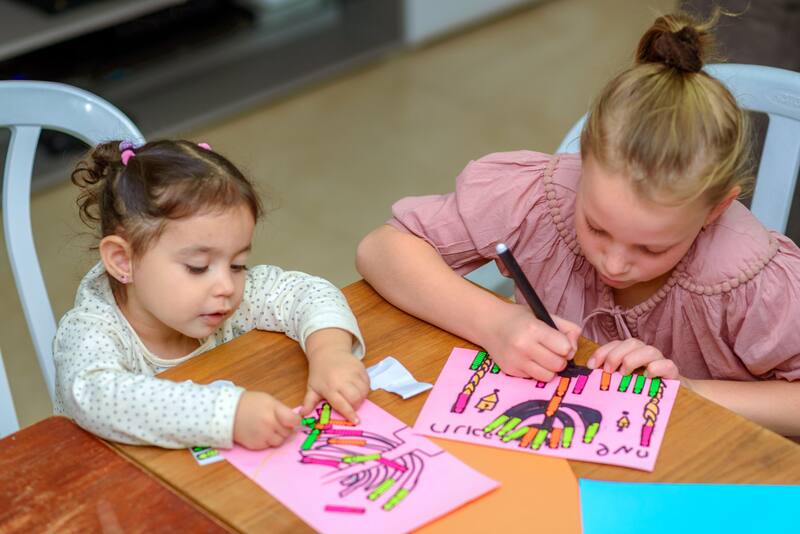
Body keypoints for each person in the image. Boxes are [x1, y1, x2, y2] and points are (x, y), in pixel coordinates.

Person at [356, 12, 800, 436]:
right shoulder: (540, 197)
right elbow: (382, 249)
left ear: (716, 211)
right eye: (597, 227)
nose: (616, 262)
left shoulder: (749, 280)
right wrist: (495, 323)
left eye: (651, 248)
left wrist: (690, 394)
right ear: (581, 165)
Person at [56, 139, 369, 449]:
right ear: (124, 261)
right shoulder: (90, 330)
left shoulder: (228, 300)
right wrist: (228, 415)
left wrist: (330, 352)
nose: (227, 287)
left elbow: (307, 292)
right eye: (197, 267)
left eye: (237, 264)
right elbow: (96, 396)